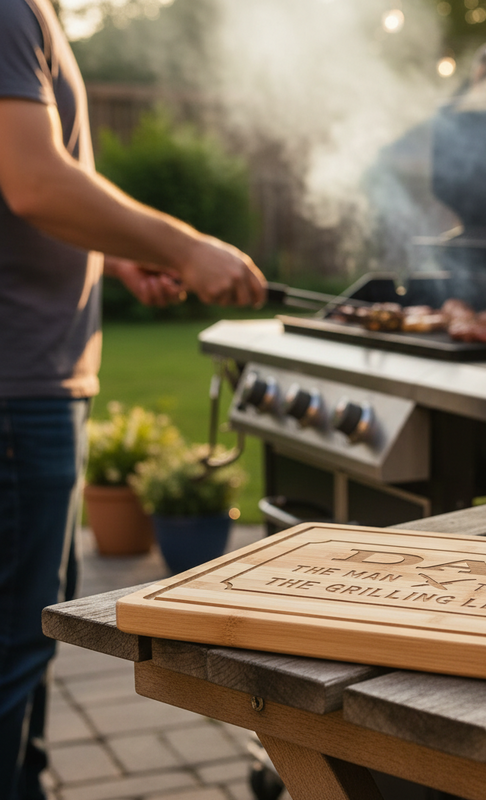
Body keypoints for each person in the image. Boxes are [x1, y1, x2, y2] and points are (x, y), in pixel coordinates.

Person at [0, 1, 268, 796]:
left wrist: (117, 257)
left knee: (23, 643)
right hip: (18, 390)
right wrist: (186, 245)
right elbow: (35, 182)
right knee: (14, 650)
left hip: (32, 380)